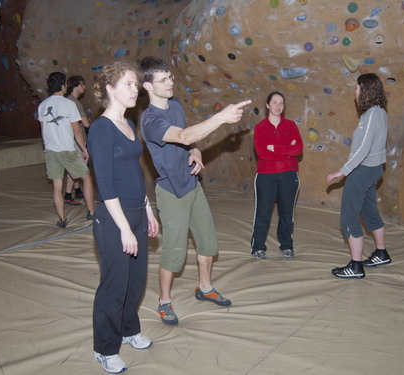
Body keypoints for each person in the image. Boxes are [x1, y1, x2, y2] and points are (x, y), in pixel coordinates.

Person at [139, 56, 250, 325]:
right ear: (147, 86)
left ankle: (205, 287)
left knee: (208, 243)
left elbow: (188, 139)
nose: (170, 82)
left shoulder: (175, 105)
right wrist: (222, 118)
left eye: (170, 77)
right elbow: (184, 135)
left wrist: (196, 150)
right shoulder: (150, 120)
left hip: (193, 185)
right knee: (174, 253)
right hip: (171, 191)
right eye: (163, 80)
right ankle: (164, 301)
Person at [87, 61, 159, 374]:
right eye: (129, 84)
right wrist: (124, 229)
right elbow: (105, 182)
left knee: (136, 280)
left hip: (136, 213)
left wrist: (146, 208)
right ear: (109, 89)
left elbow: (134, 172)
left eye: (136, 84)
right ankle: (105, 348)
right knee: (114, 285)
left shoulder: (129, 125)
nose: (136, 90)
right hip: (113, 217)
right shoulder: (101, 129)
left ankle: (129, 329)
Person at [326, 73, 392, 278]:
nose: (354, 92)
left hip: (362, 170)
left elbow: (363, 149)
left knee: (349, 215)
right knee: (368, 210)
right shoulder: (381, 112)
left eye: (356, 88)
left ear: (365, 90)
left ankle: (355, 266)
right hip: (374, 170)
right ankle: (381, 252)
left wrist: (342, 171)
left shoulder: (371, 115)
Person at [37, 72, 94, 228]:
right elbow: (77, 130)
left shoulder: (42, 105)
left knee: (57, 186)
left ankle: (62, 219)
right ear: (63, 86)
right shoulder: (69, 104)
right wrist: (84, 149)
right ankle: (91, 212)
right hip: (67, 150)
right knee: (87, 178)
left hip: (50, 151)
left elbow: (43, 131)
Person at [250, 91, 303, 260]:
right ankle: (258, 246)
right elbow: (263, 153)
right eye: (274, 102)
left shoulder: (291, 126)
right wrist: (287, 150)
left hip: (289, 175)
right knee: (263, 212)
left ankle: (287, 245)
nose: (278, 106)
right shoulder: (260, 128)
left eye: (281, 103)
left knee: (287, 212)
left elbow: (298, 149)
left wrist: (276, 148)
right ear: (267, 105)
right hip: (266, 176)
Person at [63, 75, 91, 205]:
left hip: (69, 139)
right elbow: (85, 124)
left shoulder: (67, 100)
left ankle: (77, 190)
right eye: (82, 84)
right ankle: (68, 195)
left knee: (74, 166)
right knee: (77, 167)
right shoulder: (74, 102)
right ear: (75, 86)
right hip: (76, 140)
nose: (84, 87)